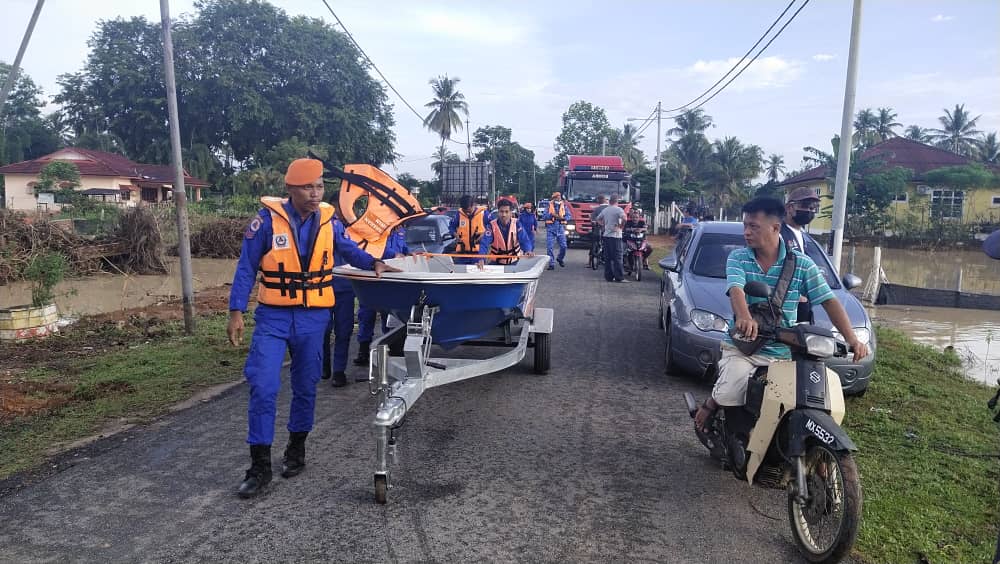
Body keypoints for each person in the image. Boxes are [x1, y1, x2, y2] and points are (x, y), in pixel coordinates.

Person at [227, 158, 398, 499]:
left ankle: (296, 449)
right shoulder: (264, 222)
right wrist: (236, 311)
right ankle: (259, 466)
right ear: (290, 189)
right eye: (308, 187)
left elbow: (347, 249)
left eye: (319, 186)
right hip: (273, 316)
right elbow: (246, 266)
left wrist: (374, 262)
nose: (314, 192)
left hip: (312, 318)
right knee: (263, 385)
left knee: (306, 386)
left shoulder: (327, 220)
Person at [693, 197, 869, 432]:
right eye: (745, 225)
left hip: (783, 351)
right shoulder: (738, 258)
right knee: (731, 391)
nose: (746, 232)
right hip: (743, 347)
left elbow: (829, 301)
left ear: (775, 228)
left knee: (804, 399)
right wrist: (744, 317)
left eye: (753, 226)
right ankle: (713, 407)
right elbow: (736, 290)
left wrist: (852, 339)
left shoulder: (803, 265)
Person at [352, 225, 410, 369]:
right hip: (373, 278)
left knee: (391, 315)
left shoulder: (401, 230)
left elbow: (404, 250)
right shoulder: (375, 228)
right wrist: (392, 254)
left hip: (393, 281)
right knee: (366, 314)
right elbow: (370, 248)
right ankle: (363, 350)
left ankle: (391, 347)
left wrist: (413, 254)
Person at [321, 195, 357, 388]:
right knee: (323, 330)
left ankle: (338, 371)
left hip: (344, 288)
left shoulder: (349, 229)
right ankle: (324, 365)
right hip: (322, 287)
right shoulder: (319, 225)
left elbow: (355, 253)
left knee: (343, 331)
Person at [782, 186, 822, 324]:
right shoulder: (779, 235)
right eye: (805, 206)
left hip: (801, 307)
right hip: (784, 306)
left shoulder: (804, 236)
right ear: (789, 208)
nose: (810, 211)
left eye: (813, 207)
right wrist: (795, 295)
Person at [478, 198, 535, 266]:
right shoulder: (491, 226)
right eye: (501, 211)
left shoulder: (517, 224)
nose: (504, 215)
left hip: (514, 261)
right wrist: (481, 259)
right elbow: (484, 243)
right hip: (496, 263)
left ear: (511, 212)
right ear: (498, 212)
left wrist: (528, 250)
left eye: (506, 212)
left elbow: (525, 240)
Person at [450, 194, 490, 264]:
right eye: (465, 211)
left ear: (473, 205)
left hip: (478, 254)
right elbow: (451, 227)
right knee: (460, 273)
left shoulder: (484, 214)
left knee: (476, 273)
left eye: (469, 211)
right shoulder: (459, 214)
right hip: (462, 254)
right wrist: (456, 235)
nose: (467, 213)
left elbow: (493, 227)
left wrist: (484, 234)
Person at [596, 194, 627, 282]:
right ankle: (619, 277)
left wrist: (603, 224)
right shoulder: (618, 209)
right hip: (616, 236)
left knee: (608, 258)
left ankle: (608, 277)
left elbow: (598, 219)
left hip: (606, 236)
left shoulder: (605, 210)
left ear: (610, 201)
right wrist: (621, 226)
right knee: (618, 257)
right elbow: (625, 218)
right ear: (617, 201)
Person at [543, 191, 571, 270]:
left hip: (560, 228)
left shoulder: (564, 205)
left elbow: (569, 215)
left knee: (564, 246)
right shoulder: (549, 205)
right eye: (556, 197)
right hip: (551, 229)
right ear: (553, 198)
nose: (558, 198)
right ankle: (551, 264)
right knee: (550, 247)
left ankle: (560, 258)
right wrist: (552, 215)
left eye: (559, 197)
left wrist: (563, 218)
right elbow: (544, 216)